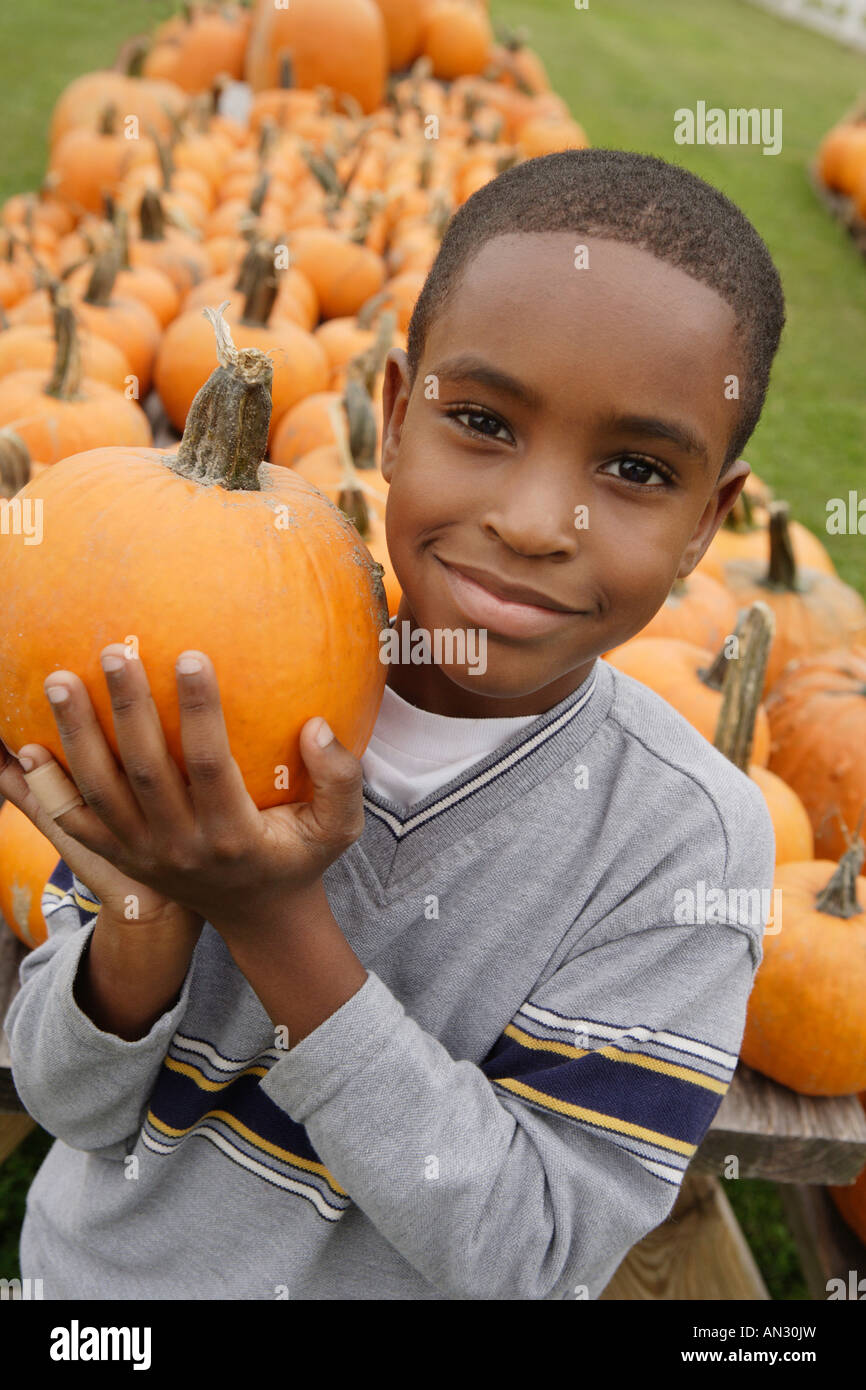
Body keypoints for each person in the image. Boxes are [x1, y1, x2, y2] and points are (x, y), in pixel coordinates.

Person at [2, 147, 783, 1300]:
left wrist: (269, 919)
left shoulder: (683, 845)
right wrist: (144, 918)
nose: (531, 522)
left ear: (708, 521)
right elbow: (64, 1101)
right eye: (481, 420)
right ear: (392, 415)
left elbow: (529, 1254)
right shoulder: (199, 676)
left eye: (631, 467)